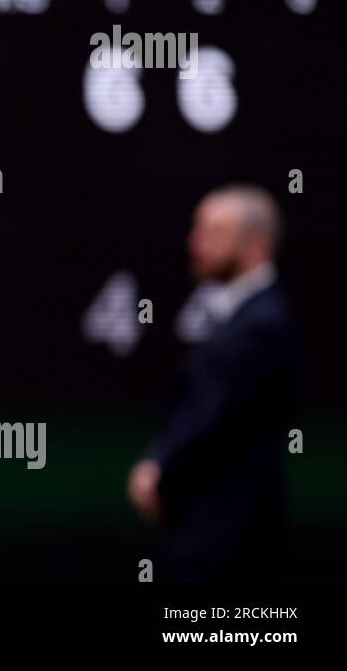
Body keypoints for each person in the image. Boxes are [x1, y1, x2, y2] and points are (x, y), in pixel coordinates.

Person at [127, 184, 300, 582]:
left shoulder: (262, 325)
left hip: (228, 541)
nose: (196, 242)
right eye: (197, 229)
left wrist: (159, 471)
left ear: (256, 247)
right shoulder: (244, 317)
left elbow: (215, 418)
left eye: (215, 232)